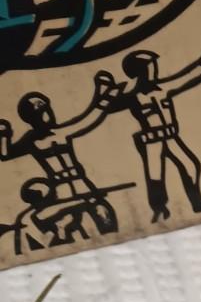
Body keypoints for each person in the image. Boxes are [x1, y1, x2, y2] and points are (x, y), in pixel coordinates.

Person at [102, 44, 201, 221]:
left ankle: (196, 201)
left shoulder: (164, 88)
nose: (154, 70)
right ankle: (159, 208)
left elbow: (192, 74)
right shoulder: (132, 97)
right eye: (150, 66)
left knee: (191, 165)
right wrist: (109, 91)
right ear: (141, 71)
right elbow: (107, 107)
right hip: (152, 141)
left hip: (170, 136)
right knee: (155, 176)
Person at [0, 78, 120, 237]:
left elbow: (91, 116)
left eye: (48, 108)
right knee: (54, 222)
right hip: (60, 191)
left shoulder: (61, 132)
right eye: (42, 111)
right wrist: (4, 135)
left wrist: (105, 92)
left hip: (82, 185)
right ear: (31, 117)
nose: (49, 114)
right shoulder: (30, 141)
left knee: (103, 214)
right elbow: (7, 154)